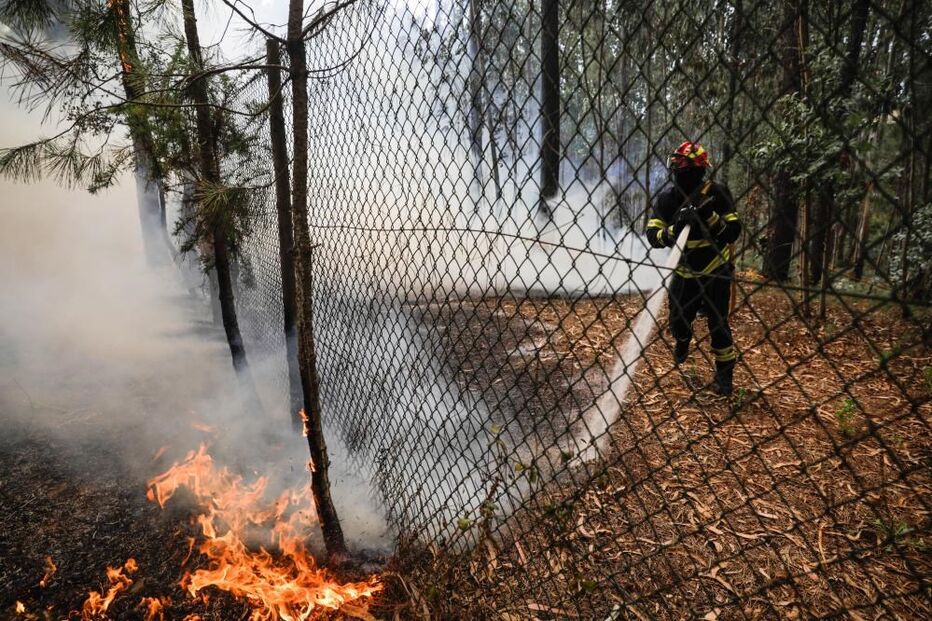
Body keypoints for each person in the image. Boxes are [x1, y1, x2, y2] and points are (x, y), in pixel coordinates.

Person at [646, 141, 741, 395]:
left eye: (681, 166)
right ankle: (683, 339)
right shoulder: (668, 198)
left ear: (696, 170)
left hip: (714, 269)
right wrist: (673, 232)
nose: (677, 171)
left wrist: (709, 217)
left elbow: (733, 231)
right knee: (677, 321)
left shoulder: (717, 193)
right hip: (683, 271)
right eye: (675, 165)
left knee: (718, 325)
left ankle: (724, 374)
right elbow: (652, 234)